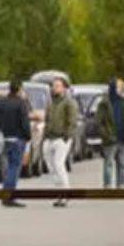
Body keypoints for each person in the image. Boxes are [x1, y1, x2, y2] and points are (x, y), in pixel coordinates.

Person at [42, 77, 79, 207]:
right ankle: (59, 193)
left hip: (61, 139)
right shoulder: (51, 103)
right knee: (51, 168)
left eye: (58, 86)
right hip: (49, 138)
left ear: (64, 88)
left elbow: (72, 121)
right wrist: (44, 136)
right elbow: (47, 120)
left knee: (59, 165)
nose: (55, 88)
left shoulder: (69, 102)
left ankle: (66, 193)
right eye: (53, 86)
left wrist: (67, 136)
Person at [0, 79, 32, 207]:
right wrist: (28, 136)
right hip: (18, 138)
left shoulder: (2, 102)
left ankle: (6, 194)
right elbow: (25, 122)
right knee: (14, 167)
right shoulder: (21, 104)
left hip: (6, 138)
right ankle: (8, 196)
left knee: (9, 166)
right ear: (19, 90)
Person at [95, 77, 124, 188]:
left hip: (122, 137)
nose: (122, 89)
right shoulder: (104, 103)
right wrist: (105, 134)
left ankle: (121, 184)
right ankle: (107, 185)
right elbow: (98, 121)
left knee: (122, 163)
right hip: (110, 138)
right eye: (120, 87)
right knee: (109, 163)